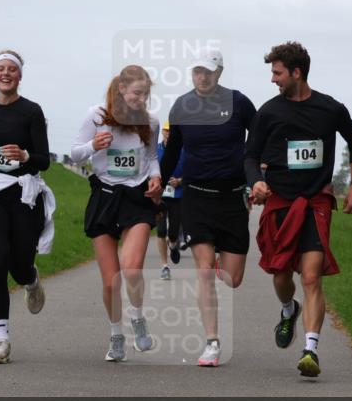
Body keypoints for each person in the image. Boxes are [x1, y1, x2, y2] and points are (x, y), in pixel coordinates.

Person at [245, 41, 352, 378]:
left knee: (311, 276)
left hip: (315, 203)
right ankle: (288, 309)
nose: (273, 79)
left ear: (296, 73)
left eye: (277, 73)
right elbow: (250, 155)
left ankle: (310, 349)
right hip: (280, 202)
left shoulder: (330, 109)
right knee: (281, 274)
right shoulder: (268, 112)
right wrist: (256, 181)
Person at [159, 49, 256, 367]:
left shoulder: (239, 103)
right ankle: (212, 343)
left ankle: (220, 262)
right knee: (203, 271)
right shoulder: (182, 106)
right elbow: (172, 152)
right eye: (197, 71)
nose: (201, 77)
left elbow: (258, 142)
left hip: (232, 197)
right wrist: (158, 185)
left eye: (208, 72)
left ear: (220, 73)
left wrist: (258, 179)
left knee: (231, 278)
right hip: (196, 196)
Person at [0, 50, 55, 364]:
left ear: (19, 76)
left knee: (18, 266)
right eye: (0, 69)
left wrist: (26, 156)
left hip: (23, 195)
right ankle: (2, 340)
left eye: (11, 69)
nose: (5, 74)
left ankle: (30, 279)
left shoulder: (31, 111)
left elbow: (45, 158)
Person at [70, 65, 162, 362]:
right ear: (121, 89)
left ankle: (137, 317)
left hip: (137, 198)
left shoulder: (150, 121)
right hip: (105, 196)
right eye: (137, 93)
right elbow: (74, 153)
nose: (141, 99)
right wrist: (92, 145)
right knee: (111, 280)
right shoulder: (96, 115)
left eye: (146, 94)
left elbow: (150, 159)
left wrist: (156, 177)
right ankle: (116, 335)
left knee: (132, 267)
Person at [155, 121, 184, 280]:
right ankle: (164, 266)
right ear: (163, 133)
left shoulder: (183, 149)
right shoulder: (156, 149)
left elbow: (191, 169)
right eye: (166, 131)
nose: (168, 133)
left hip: (177, 194)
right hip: (160, 195)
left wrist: (180, 181)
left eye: (171, 131)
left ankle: (173, 245)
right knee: (160, 230)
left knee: (173, 232)